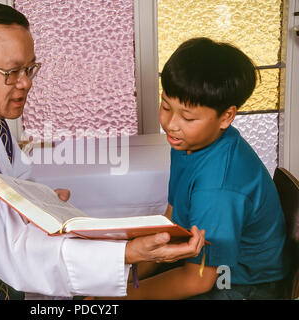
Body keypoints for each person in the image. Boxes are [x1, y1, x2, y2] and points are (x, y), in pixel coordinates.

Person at [0, 2, 205, 300]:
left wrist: (38, 200)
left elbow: (12, 185)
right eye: (12, 72)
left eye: (30, 69)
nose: (26, 83)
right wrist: (126, 253)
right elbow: (15, 253)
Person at [101, 37, 289, 300]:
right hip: (206, 269)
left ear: (226, 116)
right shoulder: (189, 141)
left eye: (187, 117)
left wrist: (119, 297)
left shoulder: (219, 187)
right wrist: (128, 277)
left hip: (243, 286)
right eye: (166, 106)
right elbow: (171, 220)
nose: (171, 124)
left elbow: (198, 281)